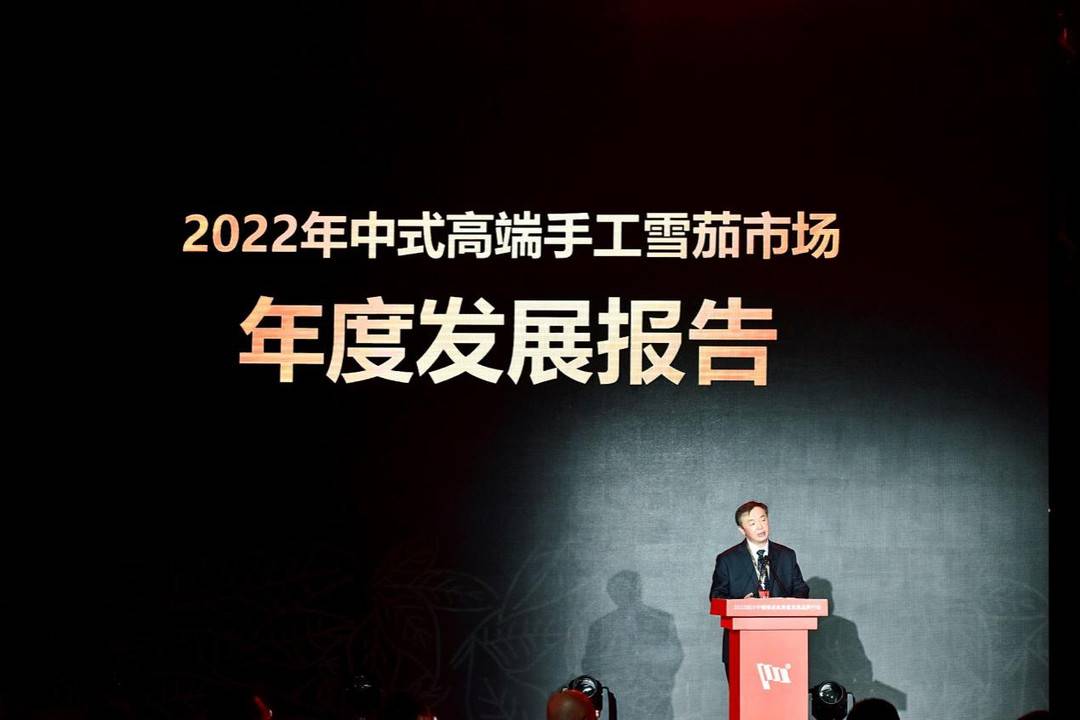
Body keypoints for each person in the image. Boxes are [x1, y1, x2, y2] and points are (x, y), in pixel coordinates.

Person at [708, 500, 810, 674]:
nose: (760, 526)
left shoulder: (786, 555)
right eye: (752, 523)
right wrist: (741, 604)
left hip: (784, 641)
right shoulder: (727, 559)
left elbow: (801, 589)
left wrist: (788, 603)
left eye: (763, 519)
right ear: (742, 530)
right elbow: (716, 596)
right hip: (741, 643)